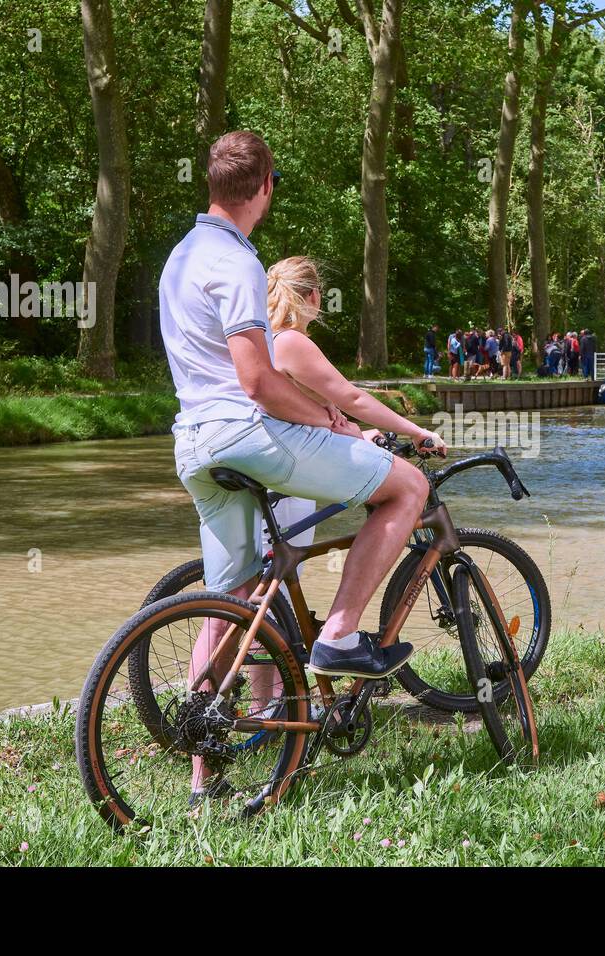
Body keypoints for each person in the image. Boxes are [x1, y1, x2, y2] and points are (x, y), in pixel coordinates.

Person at [158, 130, 437, 800]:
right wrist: (332, 422)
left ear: (211, 183)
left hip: (192, 443)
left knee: (224, 611)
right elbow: (256, 382)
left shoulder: (178, 257)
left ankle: (204, 776)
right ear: (264, 187)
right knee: (406, 487)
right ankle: (339, 636)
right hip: (244, 436)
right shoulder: (237, 260)